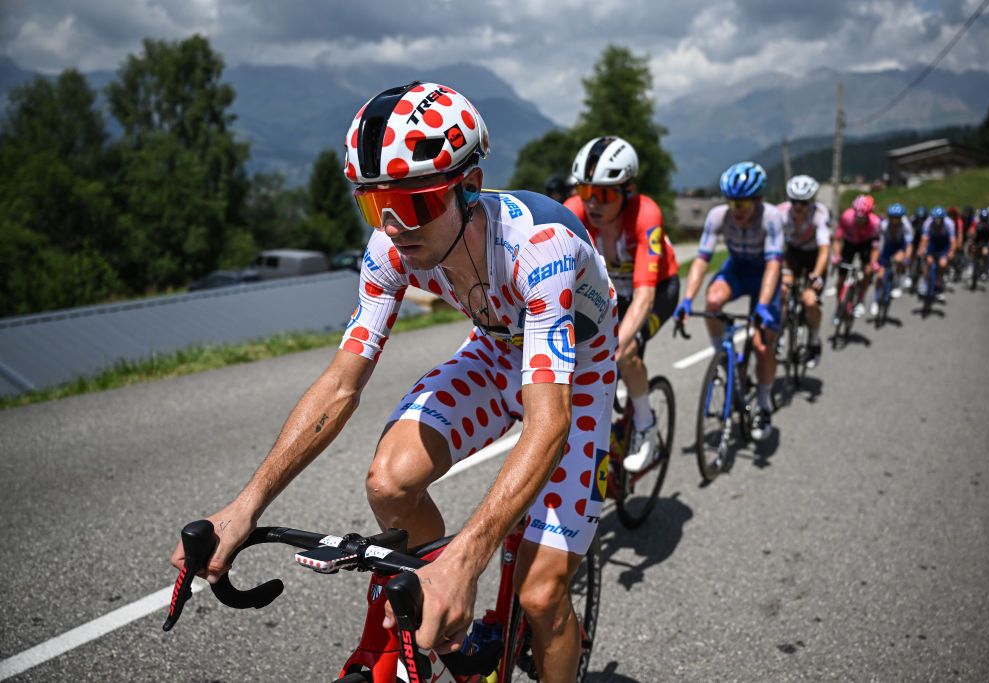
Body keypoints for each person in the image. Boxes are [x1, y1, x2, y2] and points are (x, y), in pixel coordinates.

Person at [171, 81, 617, 683]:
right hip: (495, 350)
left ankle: (490, 603)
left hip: (577, 372)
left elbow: (549, 421)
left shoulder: (542, 247)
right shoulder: (390, 249)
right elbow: (339, 384)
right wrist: (245, 506)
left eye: (413, 204)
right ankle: (454, 627)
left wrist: (468, 558)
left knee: (541, 597)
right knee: (389, 482)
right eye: (374, 205)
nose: (394, 226)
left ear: (469, 187)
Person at [564, 136, 679, 472]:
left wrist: (615, 347)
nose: (593, 204)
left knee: (624, 354)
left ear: (628, 190)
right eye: (586, 192)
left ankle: (645, 424)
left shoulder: (646, 214)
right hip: (613, 292)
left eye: (604, 194)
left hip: (657, 290)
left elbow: (644, 297)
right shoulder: (574, 212)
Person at [674, 161, 783, 441]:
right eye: (732, 204)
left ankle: (763, 404)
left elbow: (773, 266)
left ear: (758, 201)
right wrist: (687, 299)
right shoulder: (718, 216)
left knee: (762, 345)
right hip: (737, 269)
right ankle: (722, 356)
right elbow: (701, 260)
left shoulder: (771, 217)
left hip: (764, 275)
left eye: (743, 206)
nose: (737, 212)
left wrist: (762, 306)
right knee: (712, 302)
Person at [776, 174, 830, 367]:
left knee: (809, 300)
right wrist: (784, 270)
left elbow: (824, 249)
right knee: (782, 291)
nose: (798, 207)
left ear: (812, 201)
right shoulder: (781, 212)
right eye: (794, 202)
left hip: (814, 256)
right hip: (793, 254)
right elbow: (776, 247)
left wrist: (816, 274)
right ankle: (780, 333)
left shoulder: (820, 214)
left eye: (804, 203)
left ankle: (814, 341)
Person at [831, 194, 880, 320]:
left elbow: (875, 247)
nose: (859, 221)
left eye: (862, 219)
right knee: (841, 277)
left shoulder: (875, 223)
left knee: (868, 270)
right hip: (849, 243)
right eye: (857, 217)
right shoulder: (846, 217)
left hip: (866, 244)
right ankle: (840, 304)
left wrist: (873, 263)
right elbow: (837, 239)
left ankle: (861, 298)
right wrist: (836, 256)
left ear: (869, 214)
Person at [872, 203, 913, 316]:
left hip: (900, 245)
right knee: (880, 275)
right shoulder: (883, 225)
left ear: (901, 218)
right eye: (892, 219)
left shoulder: (906, 225)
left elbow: (909, 245)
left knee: (900, 260)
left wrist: (907, 258)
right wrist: (876, 261)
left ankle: (897, 282)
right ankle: (875, 300)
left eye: (897, 219)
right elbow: (877, 244)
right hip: (887, 246)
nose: (894, 222)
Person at [918, 205, 956, 301]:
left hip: (944, 244)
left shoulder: (950, 223)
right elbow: (924, 238)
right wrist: (922, 249)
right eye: (936, 220)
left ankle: (939, 282)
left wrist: (951, 252)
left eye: (940, 220)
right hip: (933, 243)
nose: (938, 222)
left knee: (942, 264)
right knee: (928, 262)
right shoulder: (928, 223)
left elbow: (952, 240)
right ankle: (925, 281)